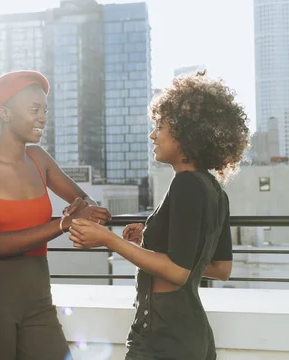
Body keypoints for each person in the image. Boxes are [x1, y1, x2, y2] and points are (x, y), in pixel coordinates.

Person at [68, 73, 250, 359]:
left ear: (186, 133)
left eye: (160, 126)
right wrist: (150, 243)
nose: (153, 135)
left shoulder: (186, 184)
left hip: (162, 337)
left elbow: (177, 272)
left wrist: (108, 239)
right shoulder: (215, 190)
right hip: (192, 335)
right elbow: (218, 267)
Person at [0, 70, 112, 360]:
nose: (43, 117)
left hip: (38, 298)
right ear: (4, 113)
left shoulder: (39, 159)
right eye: (34, 110)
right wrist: (62, 224)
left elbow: (85, 201)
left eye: (45, 111)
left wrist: (84, 211)